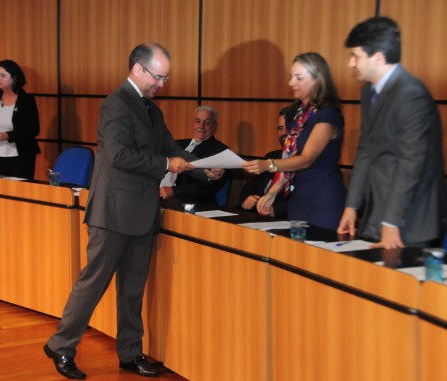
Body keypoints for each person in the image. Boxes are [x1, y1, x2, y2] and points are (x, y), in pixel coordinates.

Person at [44, 43, 223, 380]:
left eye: (166, 77)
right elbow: (117, 156)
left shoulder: (152, 111)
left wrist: (206, 167)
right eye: (159, 76)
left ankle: (130, 352)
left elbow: (172, 147)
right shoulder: (115, 104)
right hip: (112, 211)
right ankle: (61, 345)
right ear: (138, 69)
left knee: (133, 288)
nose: (163, 84)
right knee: (93, 284)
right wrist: (165, 164)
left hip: (142, 212)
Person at [337, 16, 447, 249]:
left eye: (355, 56)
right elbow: (366, 151)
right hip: (377, 212)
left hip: (410, 219)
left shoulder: (410, 93)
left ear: (377, 58)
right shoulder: (369, 92)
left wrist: (391, 222)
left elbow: (411, 162)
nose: (351, 64)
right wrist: (352, 206)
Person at [241, 52, 346, 230]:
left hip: (322, 198)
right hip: (299, 196)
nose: (291, 83)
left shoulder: (326, 114)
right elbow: (289, 156)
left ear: (317, 79)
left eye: (298, 78)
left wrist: (267, 165)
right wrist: (273, 191)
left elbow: (305, 160)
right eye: (291, 77)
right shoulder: (297, 115)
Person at [159, 105, 230, 206]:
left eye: (207, 122)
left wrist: (174, 191)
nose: (201, 126)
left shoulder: (222, 151)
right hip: (156, 195)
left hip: (190, 202)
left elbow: (211, 184)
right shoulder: (177, 144)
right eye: (198, 121)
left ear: (215, 126)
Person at [0, 59, 40, 179]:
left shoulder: (26, 100)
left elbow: (34, 129)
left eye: (3, 75)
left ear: (14, 78)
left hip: (20, 156)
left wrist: (9, 135)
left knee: (19, 192)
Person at [239, 106, 296, 218]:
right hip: (256, 217)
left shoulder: (302, 162)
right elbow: (250, 186)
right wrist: (246, 200)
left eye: (288, 127)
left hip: (283, 220)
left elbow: (301, 200)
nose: (284, 133)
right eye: (280, 128)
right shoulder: (272, 156)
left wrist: (275, 210)